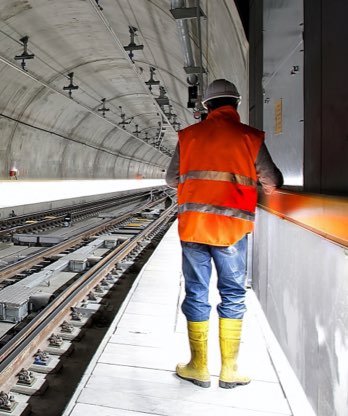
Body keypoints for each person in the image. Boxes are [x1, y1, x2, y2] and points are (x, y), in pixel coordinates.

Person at [165, 79, 283, 389]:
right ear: (236, 104)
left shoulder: (188, 137)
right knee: (232, 293)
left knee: (196, 291)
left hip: (193, 228)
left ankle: (198, 366)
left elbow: (170, 178)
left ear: (206, 106)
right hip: (232, 230)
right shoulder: (250, 137)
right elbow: (272, 180)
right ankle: (229, 369)